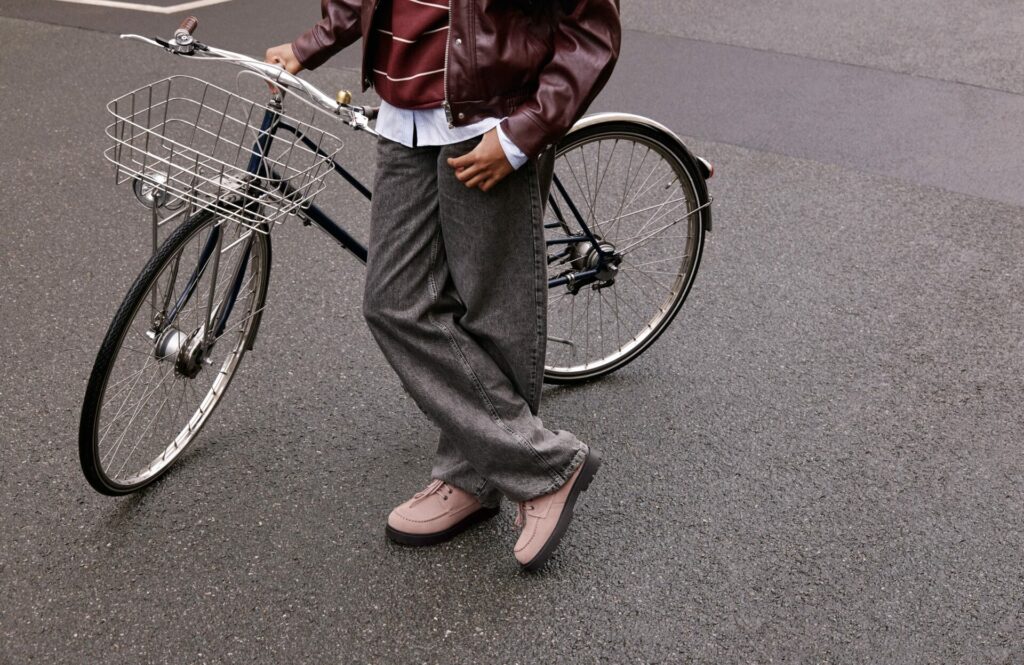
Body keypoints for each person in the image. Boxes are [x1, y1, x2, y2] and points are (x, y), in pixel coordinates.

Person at [266, 0, 620, 571]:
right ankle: (543, 464)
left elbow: (590, 28)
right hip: (402, 111)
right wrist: (313, 44)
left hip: (491, 118)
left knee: (494, 310)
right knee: (393, 302)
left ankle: (474, 479)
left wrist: (521, 134)